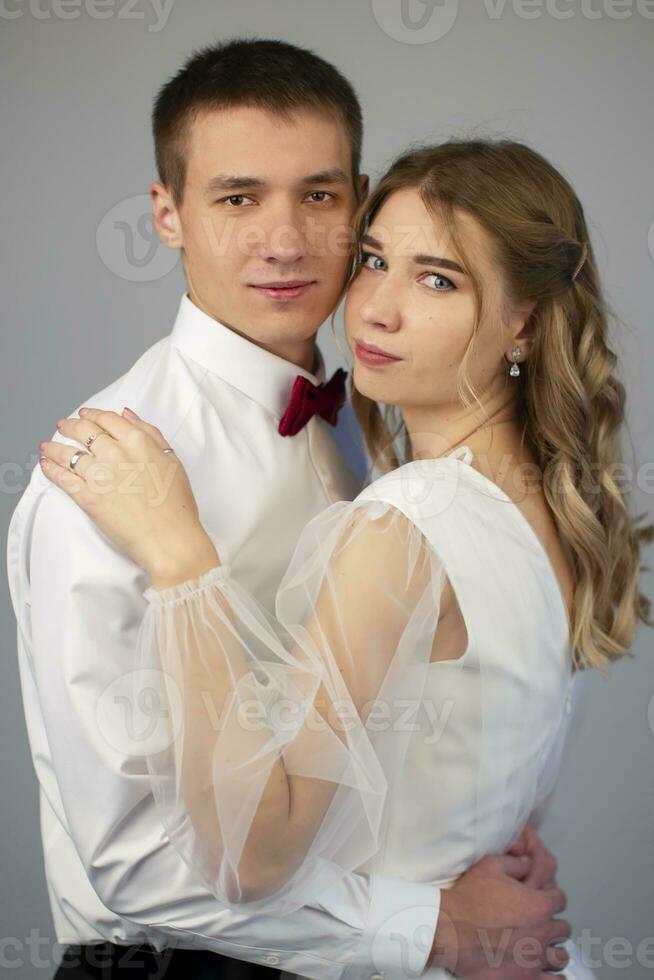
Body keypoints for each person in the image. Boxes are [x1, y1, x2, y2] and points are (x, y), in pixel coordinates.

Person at [5, 39, 568, 980]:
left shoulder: (379, 426)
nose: (285, 242)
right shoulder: (102, 473)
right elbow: (136, 865)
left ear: (357, 199)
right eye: (236, 199)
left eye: (318, 196)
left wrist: (475, 825)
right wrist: (434, 926)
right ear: (166, 215)